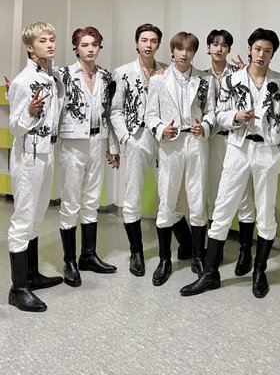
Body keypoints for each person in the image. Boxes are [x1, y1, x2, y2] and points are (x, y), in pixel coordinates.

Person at [180, 28, 280, 298]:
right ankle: (210, 274)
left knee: (265, 213)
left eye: (267, 51)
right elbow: (219, 114)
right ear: (249, 49)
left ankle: (259, 271)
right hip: (238, 148)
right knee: (222, 209)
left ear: (272, 54)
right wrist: (235, 117)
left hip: (268, 151)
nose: (261, 54)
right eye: (258, 49)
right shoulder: (233, 80)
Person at [110, 23, 192, 277]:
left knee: (169, 193)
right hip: (137, 137)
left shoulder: (167, 72)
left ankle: (188, 243)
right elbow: (115, 110)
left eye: (153, 41)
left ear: (159, 45)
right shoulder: (123, 73)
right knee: (132, 195)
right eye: (144, 40)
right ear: (137, 43)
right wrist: (125, 138)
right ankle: (136, 252)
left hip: (165, 139)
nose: (148, 44)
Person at [144, 31, 216, 285]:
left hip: (196, 142)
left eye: (189, 50)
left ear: (194, 53)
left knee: (198, 200)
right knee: (166, 200)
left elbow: (211, 112)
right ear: (172, 51)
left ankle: (198, 256)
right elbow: (150, 115)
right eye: (180, 49)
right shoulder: (158, 80)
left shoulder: (206, 80)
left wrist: (204, 126)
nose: (184, 54)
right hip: (170, 144)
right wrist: (161, 129)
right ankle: (165, 260)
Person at [7, 21, 64, 312]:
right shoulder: (23, 81)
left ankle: (32, 276)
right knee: (23, 219)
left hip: (47, 152)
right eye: (43, 40)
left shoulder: (53, 76)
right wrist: (28, 112)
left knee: (37, 216)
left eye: (51, 39)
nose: (50, 44)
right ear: (30, 48)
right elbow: (15, 128)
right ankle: (18, 289)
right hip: (28, 155)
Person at [58, 26, 119, 287]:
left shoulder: (106, 77)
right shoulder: (63, 75)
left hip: (98, 140)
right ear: (76, 48)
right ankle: (69, 261)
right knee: (71, 201)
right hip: (73, 143)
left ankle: (88, 256)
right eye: (85, 44)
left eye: (94, 44)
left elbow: (109, 114)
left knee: (92, 200)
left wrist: (112, 147)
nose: (90, 49)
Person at [205, 29, 255, 275]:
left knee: (244, 196)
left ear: (229, 49)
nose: (219, 49)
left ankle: (245, 251)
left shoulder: (240, 74)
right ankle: (217, 249)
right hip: (213, 140)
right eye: (215, 44)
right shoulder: (201, 77)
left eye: (224, 45)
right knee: (216, 194)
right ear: (208, 48)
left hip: (238, 139)